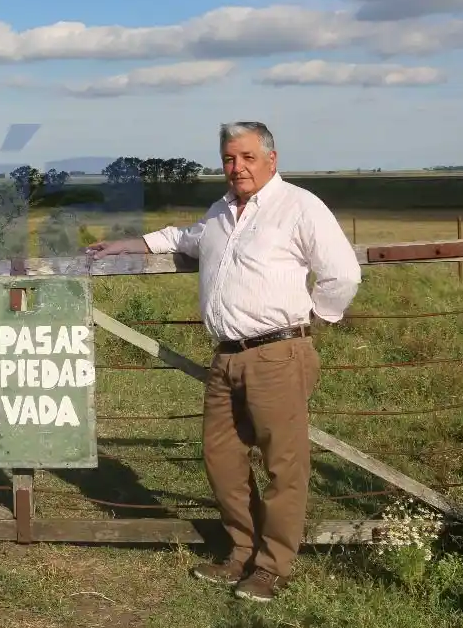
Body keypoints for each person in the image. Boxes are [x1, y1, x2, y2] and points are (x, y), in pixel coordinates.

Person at [86, 121, 360, 603]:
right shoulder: (219, 213)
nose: (238, 168)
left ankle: (273, 567)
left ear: (272, 160)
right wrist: (129, 244)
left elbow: (342, 271)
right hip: (226, 358)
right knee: (222, 461)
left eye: (248, 157)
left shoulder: (299, 206)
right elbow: (183, 237)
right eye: (230, 159)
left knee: (283, 465)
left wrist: (316, 317)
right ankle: (240, 551)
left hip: (278, 353)